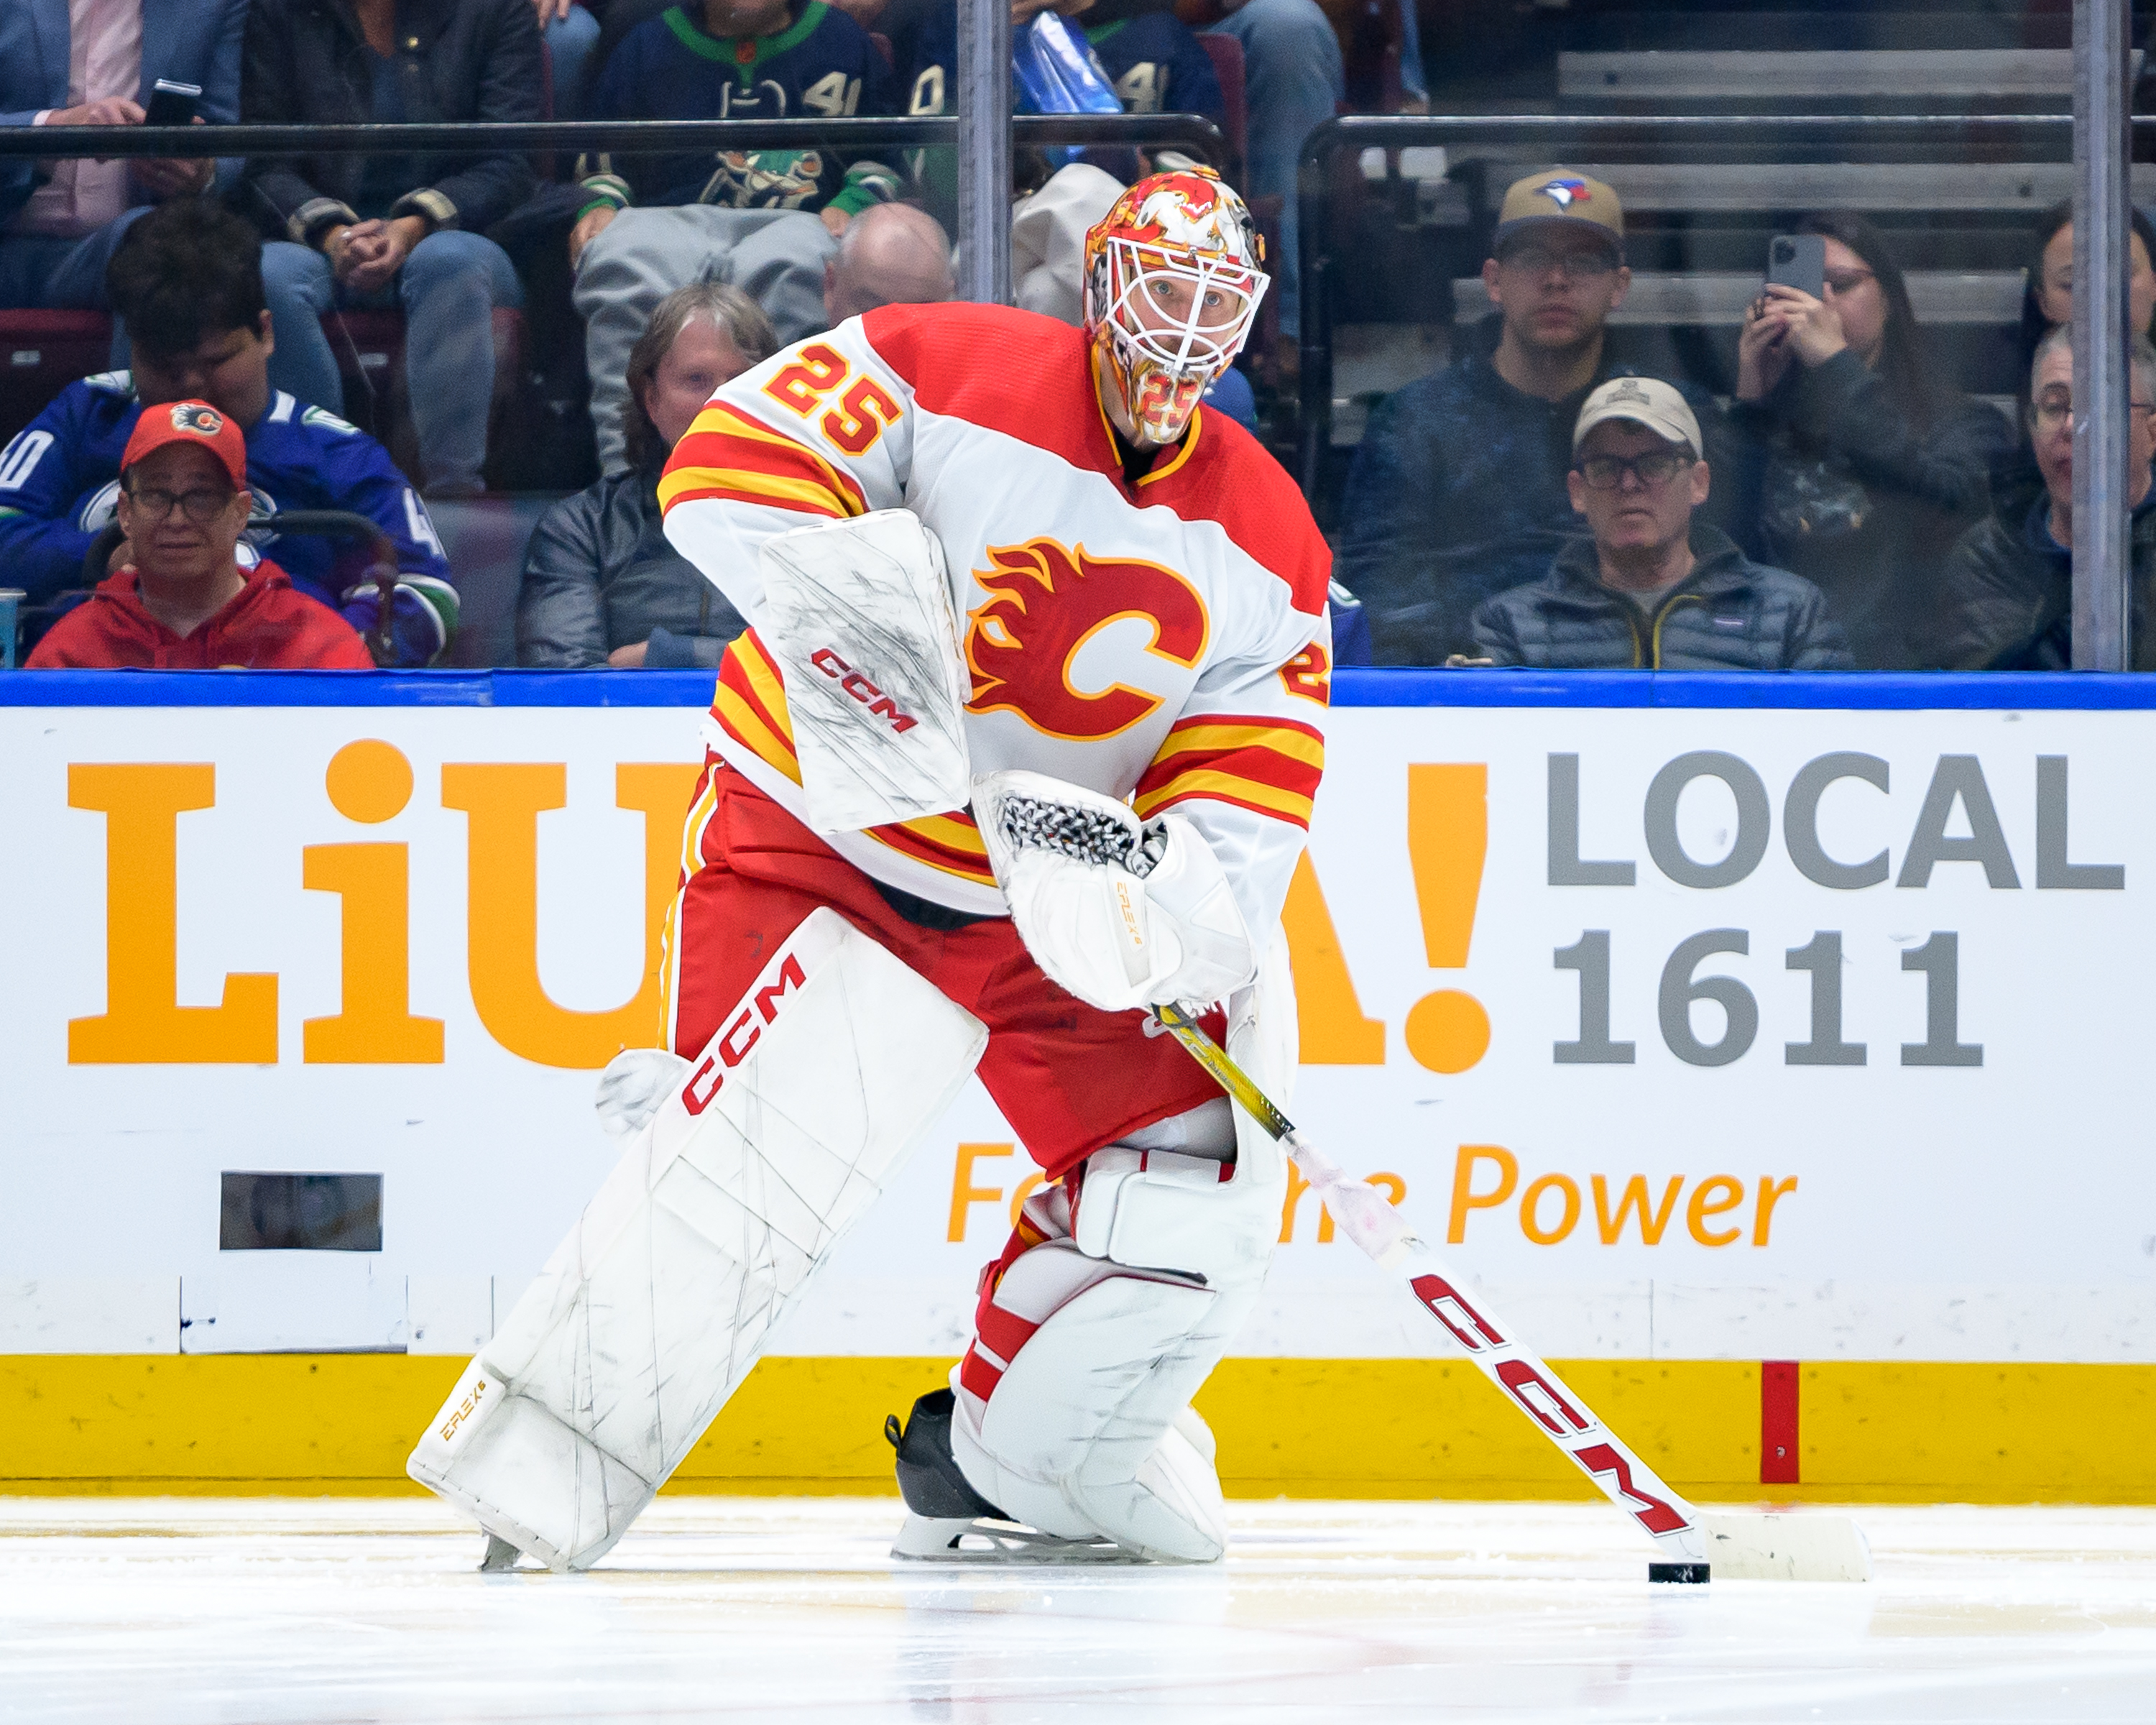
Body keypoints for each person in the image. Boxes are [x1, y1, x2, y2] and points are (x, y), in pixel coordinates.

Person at [410, 169, 1331, 1571]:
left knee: (1189, 1188)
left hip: (1029, 904)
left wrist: (1153, 918)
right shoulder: (945, 359)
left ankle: (1014, 1447)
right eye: (1161, 288)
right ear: (1100, 285)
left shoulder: (1272, 541)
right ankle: (537, 1481)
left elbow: (1249, 798)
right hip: (813, 843)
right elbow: (729, 461)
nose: (1182, 329)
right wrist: (874, 653)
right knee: (713, 1178)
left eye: (1219, 301)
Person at [0, 200, 458, 665]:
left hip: (282, 706)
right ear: (133, 348)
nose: (193, 386)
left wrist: (325, 664)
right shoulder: (87, 413)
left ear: (264, 332)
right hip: (81, 695)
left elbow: (426, 593)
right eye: (166, 367)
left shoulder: (336, 452)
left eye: (216, 361)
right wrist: (103, 554)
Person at [1335, 167, 1734, 666]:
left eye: (1584, 262)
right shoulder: (1416, 419)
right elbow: (1381, 593)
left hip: (1640, 683)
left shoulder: (1675, 416)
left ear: (1620, 285)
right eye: (1532, 259)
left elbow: (1726, 578)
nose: (1556, 280)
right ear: (1494, 280)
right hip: (1469, 693)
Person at [568, 0, 900, 475]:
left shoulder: (840, 40)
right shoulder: (645, 43)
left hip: (800, 221)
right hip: (663, 219)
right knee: (621, 256)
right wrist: (602, 203)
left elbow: (884, 154)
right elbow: (602, 159)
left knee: (803, 266)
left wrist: (850, 204)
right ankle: (626, 486)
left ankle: (791, 482)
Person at [242, 0, 540, 498]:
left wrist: (413, 226)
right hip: (318, 238)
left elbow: (510, 165)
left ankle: (451, 501)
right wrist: (333, 233)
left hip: (461, 233)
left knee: (449, 263)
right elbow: (261, 162)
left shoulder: (497, 9)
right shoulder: (280, 11)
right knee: (269, 272)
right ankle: (312, 493)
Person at [1725, 212, 2012, 669]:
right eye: (1802, 289)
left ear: (1890, 299)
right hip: (1769, 673)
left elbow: (1950, 507)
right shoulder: (1762, 420)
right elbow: (1713, 542)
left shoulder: (1963, 422)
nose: (1820, 304)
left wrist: (1837, 368)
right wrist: (1751, 400)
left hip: (1899, 677)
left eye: (1840, 284)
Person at [1471, 377, 1848, 671]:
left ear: (1699, 483)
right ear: (1578, 492)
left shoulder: (1790, 613)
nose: (1630, 484)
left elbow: (1839, 744)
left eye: (1654, 464)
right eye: (1605, 467)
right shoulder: (1511, 625)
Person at [517, 282, 775, 668]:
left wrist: (666, 655)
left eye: (741, 381)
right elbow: (563, 687)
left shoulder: (825, 524)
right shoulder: (582, 529)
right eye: (696, 380)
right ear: (650, 399)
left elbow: (851, 675)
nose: (722, 401)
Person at [25, 398, 374, 669]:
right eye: (157, 495)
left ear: (240, 513)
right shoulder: (71, 652)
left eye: (202, 496)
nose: (177, 519)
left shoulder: (320, 646)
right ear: (126, 513)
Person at [1930, 328, 2156, 671]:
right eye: (2054, 407)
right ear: (2032, 429)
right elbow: (1993, 697)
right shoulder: (1989, 556)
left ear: (2152, 433)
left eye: (2099, 405)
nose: (2071, 427)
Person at [0, 1, 240, 313]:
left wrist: (202, 171)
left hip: (123, 246)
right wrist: (52, 128)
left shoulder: (209, 7)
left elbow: (230, 138)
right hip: (8, 230)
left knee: (155, 242)